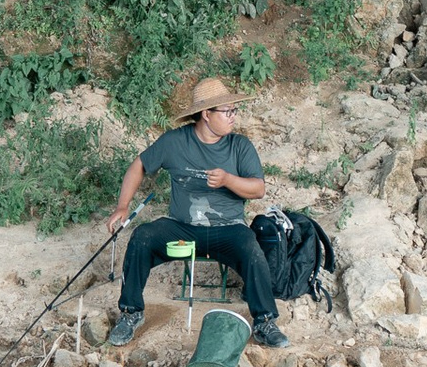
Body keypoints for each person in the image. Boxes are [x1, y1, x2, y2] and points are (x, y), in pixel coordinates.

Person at [99, 77, 287, 348]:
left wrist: (227, 180)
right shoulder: (175, 142)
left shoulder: (240, 145)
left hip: (228, 229)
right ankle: (131, 312)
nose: (233, 116)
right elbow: (138, 165)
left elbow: (258, 189)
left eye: (234, 110)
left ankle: (265, 322)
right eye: (227, 111)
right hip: (182, 228)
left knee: (250, 246)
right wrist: (122, 205)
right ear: (206, 114)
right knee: (143, 236)